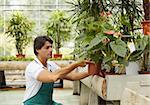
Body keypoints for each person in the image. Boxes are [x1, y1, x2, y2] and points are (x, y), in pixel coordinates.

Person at [23, 36, 90, 105]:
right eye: (47, 47)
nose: (51, 50)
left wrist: (90, 72)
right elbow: (52, 77)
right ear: (37, 49)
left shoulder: (51, 65)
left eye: (51, 47)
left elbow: (73, 76)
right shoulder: (33, 67)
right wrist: (75, 64)